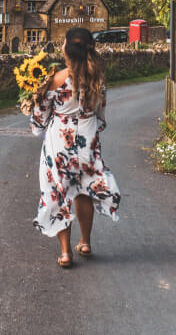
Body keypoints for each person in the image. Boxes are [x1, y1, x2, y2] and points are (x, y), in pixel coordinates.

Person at [28, 27, 121, 268]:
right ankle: (86, 242)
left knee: (60, 192)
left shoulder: (56, 79)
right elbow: (101, 115)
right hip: (88, 142)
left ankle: (66, 252)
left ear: (67, 49)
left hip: (59, 143)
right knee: (84, 190)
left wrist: (35, 113)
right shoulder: (98, 79)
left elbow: (40, 118)